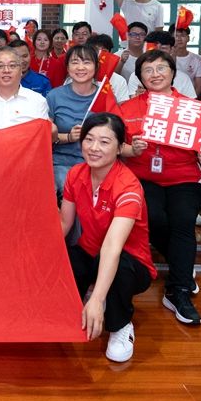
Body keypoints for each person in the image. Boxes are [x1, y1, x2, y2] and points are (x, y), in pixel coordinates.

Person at [120, 50, 201, 326]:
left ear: (173, 73)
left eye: (161, 68)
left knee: (183, 220)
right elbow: (115, 145)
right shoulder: (128, 108)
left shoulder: (193, 108)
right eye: (148, 70)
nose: (155, 74)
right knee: (152, 216)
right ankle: (182, 265)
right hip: (142, 177)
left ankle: (178, 290)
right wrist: (130, 150)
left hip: (184, 177)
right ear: (140, 77)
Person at [60, 113, 155, 363]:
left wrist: (97, 300)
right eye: (89, 139)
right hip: (91, 253)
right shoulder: (75, 174)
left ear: (120, 147)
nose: (94, 148)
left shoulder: (129, 187)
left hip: (131, 263)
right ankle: (90, 295)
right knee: (66, 257)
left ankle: (120, 324)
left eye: (104, 142)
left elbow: (113, 247)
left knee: (119, 266)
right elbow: (64, 223)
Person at [47, 44, 98, 197]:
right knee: (70, 188)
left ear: (96, 67)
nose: (80, 67)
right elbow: (45, 136)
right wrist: (69, 137)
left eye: (87, 62)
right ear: (68, 67)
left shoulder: (103, 96)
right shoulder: (54, 96)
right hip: (62, 162)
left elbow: (114, 136)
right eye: (75, 62)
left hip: (96, 162)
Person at [0, 46, 50, 130]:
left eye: (12, 65)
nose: (6, 70)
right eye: (0, 66)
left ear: (21, 70)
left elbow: (44, 135)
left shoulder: (38, 101)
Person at [125, 31, 197, 98]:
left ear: (172, 50)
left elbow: (191, 103)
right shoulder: (136, 76)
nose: (157, 53)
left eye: (163, 48)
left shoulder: (183, 78)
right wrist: (138, 97)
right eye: (152, 49)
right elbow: (133, 103)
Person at [86, 35, 131, 104]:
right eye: (96, 51)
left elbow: (123, 106)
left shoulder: (119, 80)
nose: (99, 55)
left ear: (110, 53)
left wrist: (112, 99)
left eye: (104, 51)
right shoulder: (80, 78)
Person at [171, 24, 201, 97]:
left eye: (183, 35)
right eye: (176, 36)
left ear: (188, 38)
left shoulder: (197, 60)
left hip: (189, 97)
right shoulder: (164, 59)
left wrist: (190, 100)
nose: (179, 39)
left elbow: (198, 87)